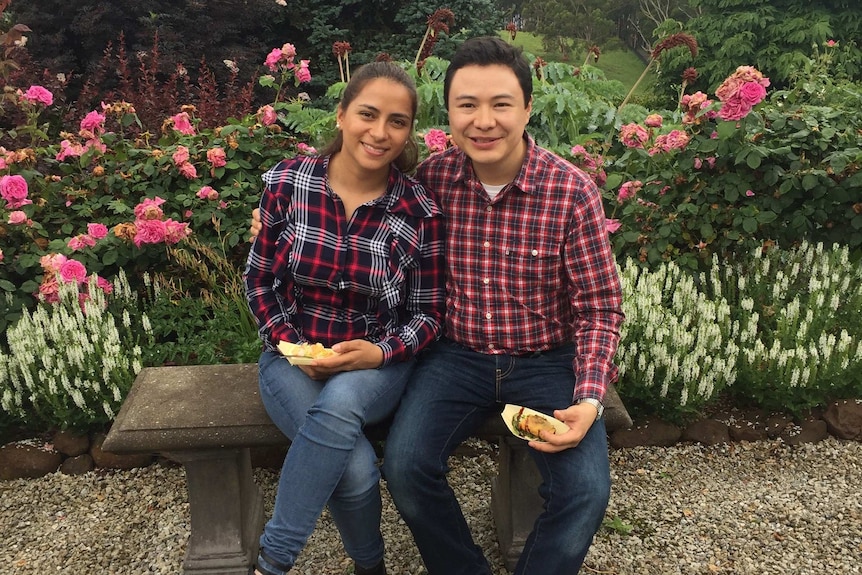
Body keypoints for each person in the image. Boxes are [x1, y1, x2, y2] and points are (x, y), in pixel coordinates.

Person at [251, 37, 624, 575]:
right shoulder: (432, 183)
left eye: (501, 104)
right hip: (456, 359)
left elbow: (600, 307)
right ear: (449, 113)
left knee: (585, 492)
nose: (484, 121)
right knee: (406, 470)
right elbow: (343, 220)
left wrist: (588, 399)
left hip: (546, 363)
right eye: (467, 105)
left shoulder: (570, 191)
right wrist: (274, 225)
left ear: (527, 108)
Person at [243, 61, 446, 575]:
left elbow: (427, 314)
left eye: (397, 121)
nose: (380, 133)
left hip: (377, 365)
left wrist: (381, 351)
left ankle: (274, 559)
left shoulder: (418, 210)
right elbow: (260, 282)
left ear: (409, 132)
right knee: (354, 469)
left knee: (339, 404)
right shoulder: (287, 184)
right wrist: (294, 346)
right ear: (341, 114)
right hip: (289, 361)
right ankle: (370, 567)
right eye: (368, 114)